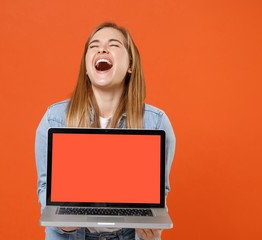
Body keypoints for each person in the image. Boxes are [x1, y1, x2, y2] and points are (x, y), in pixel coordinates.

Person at [35, 22, 176, 240]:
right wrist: (64, 224)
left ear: (131, 65)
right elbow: (45, 186)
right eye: (94, 46)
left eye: (114, 45)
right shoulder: (54, 119)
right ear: (86, 67)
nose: (102, 49)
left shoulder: (156, 123)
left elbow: (158, 193)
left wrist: (148, 233)